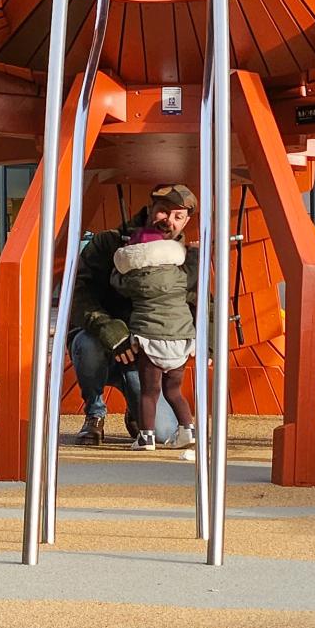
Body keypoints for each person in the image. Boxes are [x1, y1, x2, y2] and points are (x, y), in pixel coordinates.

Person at [112, 184, 198, 451]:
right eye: (164, 213)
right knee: (174, 391)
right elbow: (194, 280)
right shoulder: (180, 274)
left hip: (150, 339)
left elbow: (117, 282)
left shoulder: (134, 277)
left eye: (178, 216)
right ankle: (188, 430)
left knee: (150, 392)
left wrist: (121, 267)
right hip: (181, 339)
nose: (169, 221)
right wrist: (194, 255)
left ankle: (145, 437)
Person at [68, 215, 144, 447]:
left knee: (162, 431)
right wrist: (110, 331)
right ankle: (95, 412)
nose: (169, 220)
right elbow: (81, 295)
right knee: (89, 346)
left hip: (139, 348)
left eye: (179, 215)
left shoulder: (175, 253)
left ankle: (137, 410)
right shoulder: (104, 245)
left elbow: (193, 298)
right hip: (98, 337)